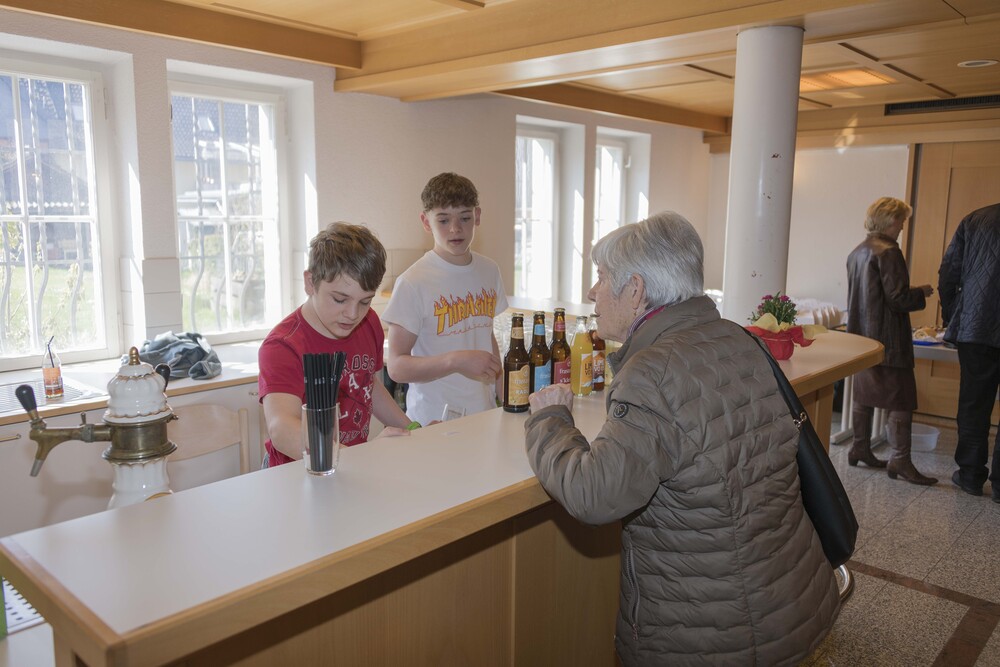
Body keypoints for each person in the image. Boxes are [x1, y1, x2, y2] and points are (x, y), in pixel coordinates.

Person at [524, 212, 838, 666]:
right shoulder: (739, 338)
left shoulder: (653, 372)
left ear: (635, 290)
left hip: (711, 631)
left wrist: (550, 420)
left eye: (602, 277)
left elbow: (595, 494)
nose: (592, 292)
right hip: (790, 594)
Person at [258, 222, 412, 468]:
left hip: (348, 465)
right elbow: (282, 429)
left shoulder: (369, 323)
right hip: (294, 471)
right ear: (310, 282)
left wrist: (413, 429)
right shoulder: (283, 346)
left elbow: (368, 385)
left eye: (365, 301)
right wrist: (354, 458)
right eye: (340, 299)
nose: (353, 314)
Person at [382, 172, 508, 426]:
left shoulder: (489, 270)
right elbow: (396, 366)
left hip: (485, 415)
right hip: (434, 422)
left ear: (477, 216)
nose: (455, 228)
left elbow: (485, 333)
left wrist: (504, 394)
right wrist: (456, 361)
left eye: (465, 217)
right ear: (426, 222)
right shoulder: (413, 281)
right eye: (443, 220)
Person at [846, 196, 937, 485]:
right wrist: (921, 292)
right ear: (889, 220)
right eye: (901, 220)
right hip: (889, 341)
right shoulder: (889, 252)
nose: (902, 226)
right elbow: (898, 299)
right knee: (902, 399)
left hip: (861, 340)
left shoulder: (857, 252)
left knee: (864, 394)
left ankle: (859, 447)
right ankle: (900, 459)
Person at [939, 202, 1000, 502]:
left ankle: (971, 475)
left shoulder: (976, 219)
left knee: (974, 404)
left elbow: (948, 273)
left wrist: (953, 317)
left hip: (976, 328)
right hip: (976, 327)